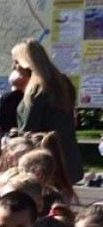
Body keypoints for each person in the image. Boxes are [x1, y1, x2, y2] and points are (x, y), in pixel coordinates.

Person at [12, 39, 83, 183]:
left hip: (44, 165)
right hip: (68, 158)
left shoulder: (36, 91)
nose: (14, 67)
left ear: (27, 63)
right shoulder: (63, 83)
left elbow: (28, 132)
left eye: (16, 62)